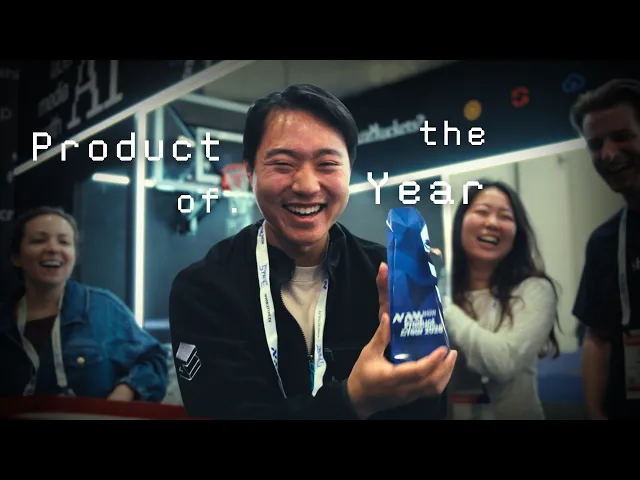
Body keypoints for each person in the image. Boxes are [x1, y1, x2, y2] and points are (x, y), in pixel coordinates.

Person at [169, 84, 457, 420]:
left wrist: (412, 359)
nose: (307, 186)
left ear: (349, 170)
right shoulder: (204, 289)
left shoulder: (386, 275)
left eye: (327, 164)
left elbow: (428, 410)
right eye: (283, 164)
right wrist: (353, 400)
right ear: (249, 171)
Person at [0, 206, 168, 402]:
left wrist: (125, 392)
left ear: (75, 257)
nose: (53, 248)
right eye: (39, 240)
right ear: (16, 257)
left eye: (64, 242)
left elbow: (153, 360)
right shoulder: (5, 319)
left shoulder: (104, 309)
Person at [442, 180, 560, 420]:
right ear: (461, 221)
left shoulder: (535, 290)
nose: (492, 223)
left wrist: (446, 310)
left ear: (517, 232)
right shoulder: (443, 288)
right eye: (482, 211)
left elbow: (503, 363)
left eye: (505, 216)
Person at [569, 78, 640, 420]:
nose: (609, 154)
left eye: (622, 136)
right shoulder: (604, 241)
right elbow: (597, 337)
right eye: (596, 144)